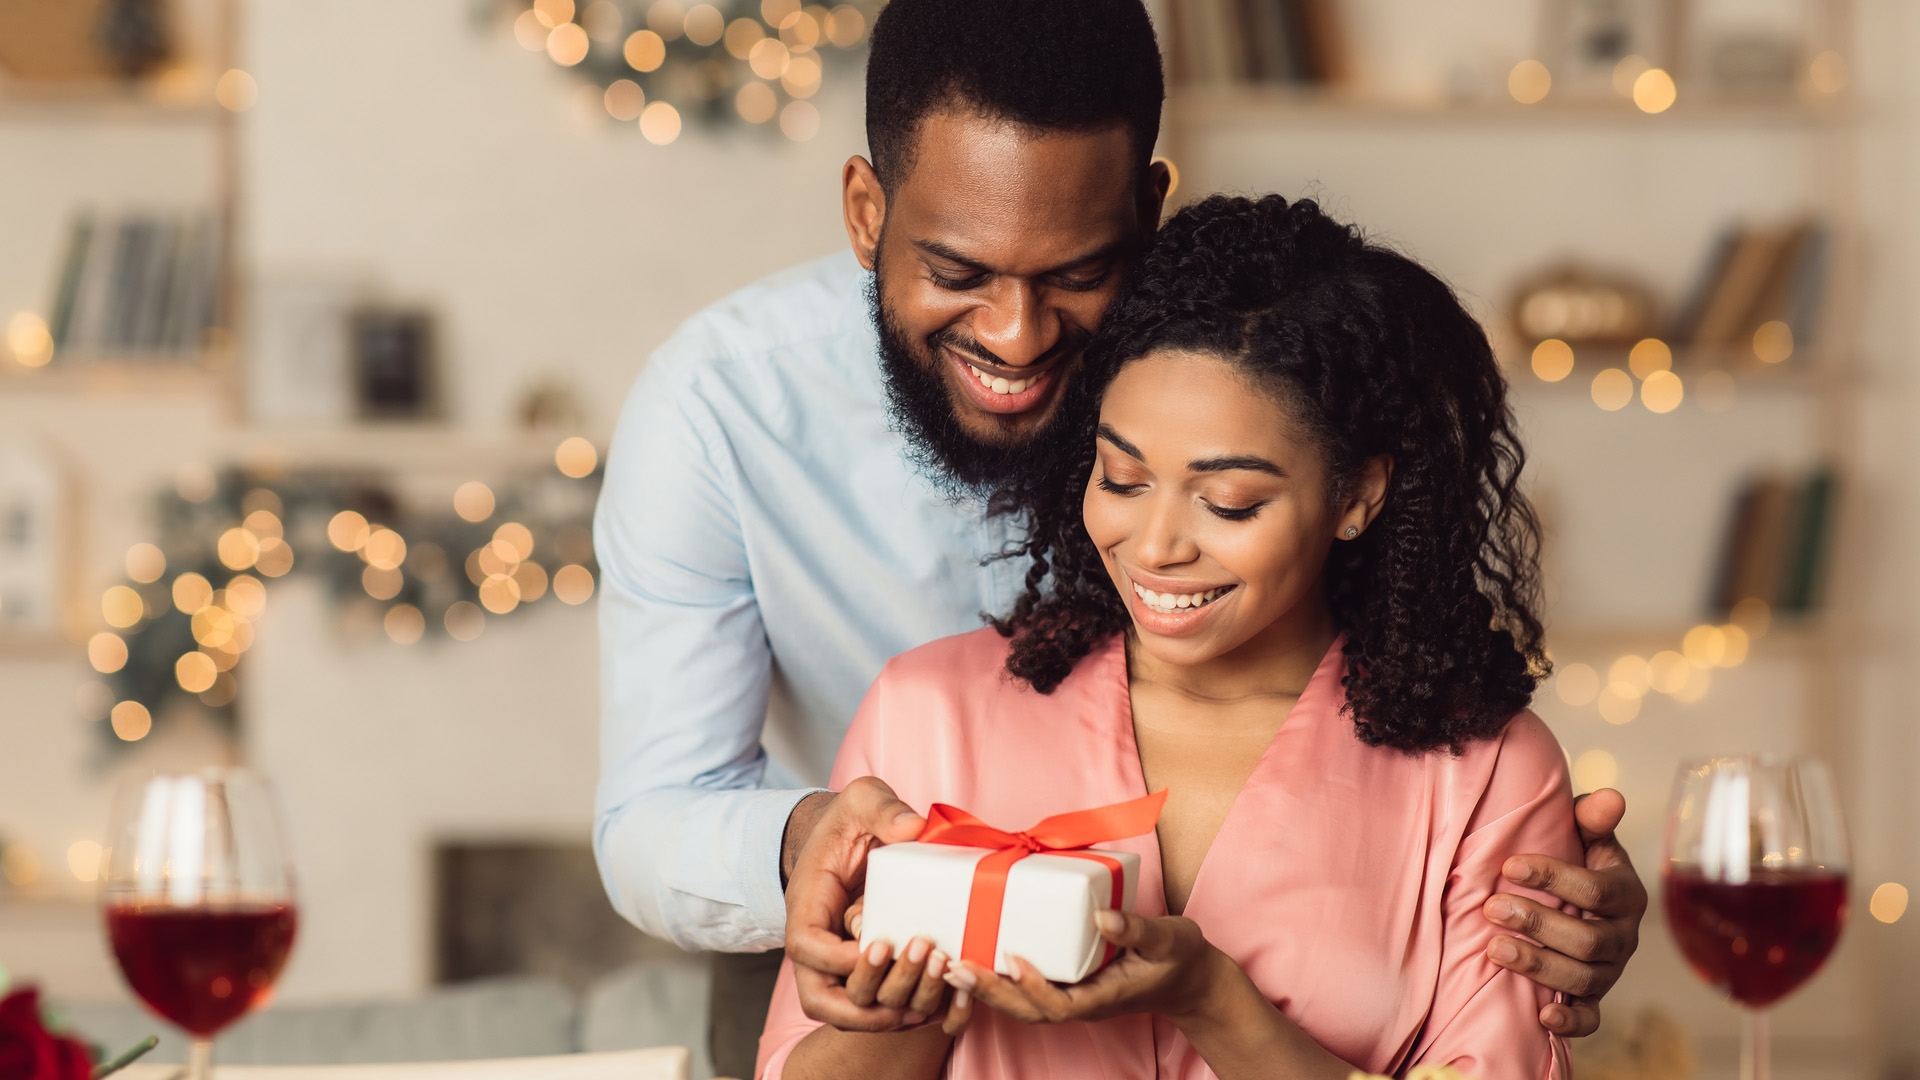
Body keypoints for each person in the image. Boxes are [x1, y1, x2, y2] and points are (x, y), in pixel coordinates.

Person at [591, 1, 1646, 1072]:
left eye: (1072, 275)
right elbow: (649, 814)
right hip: (812, 913)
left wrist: (1532, 868)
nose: (1016, 334)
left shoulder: (1215, 351)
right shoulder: (723, 408)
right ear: (866, 210)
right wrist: (825, 847)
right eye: (958, 273)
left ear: (1147, 213)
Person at [758, 194, 1581, 1080]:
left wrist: (1211, 1001)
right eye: (1121, 478)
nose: (1154, 548)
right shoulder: (927, 713)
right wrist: (914, 1004)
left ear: (1358, 495)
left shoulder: (1486, 775)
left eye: (1229, 503)